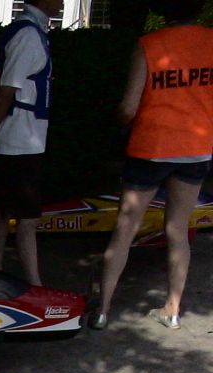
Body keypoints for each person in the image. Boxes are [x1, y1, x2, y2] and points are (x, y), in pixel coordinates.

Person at [90, 0, 213, 330]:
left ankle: (102, 310)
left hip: (151, 147)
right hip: (196, 148)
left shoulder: (149, 44)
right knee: (178, 230)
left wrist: (116, 124)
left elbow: (128, 108)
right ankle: (172, 309)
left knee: (126, 228)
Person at [0, 0, 63, 286]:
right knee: (28, 217)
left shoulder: (29, 31)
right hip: (21, 138)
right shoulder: (29, 35)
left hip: (21, 136)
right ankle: (33, 284)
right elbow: (4, 94)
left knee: (3, 208)